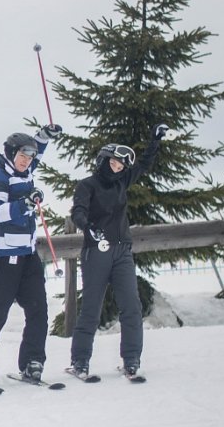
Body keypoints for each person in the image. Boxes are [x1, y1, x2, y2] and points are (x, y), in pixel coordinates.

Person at [0, 123, 63, 387]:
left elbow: (36, 151)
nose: (27, 161)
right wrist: (25, 204)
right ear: (10, 153)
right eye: (22, 156)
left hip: (27, 253)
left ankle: (32, 362)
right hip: (1, 255)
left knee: (38, 309)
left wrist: (45, 135)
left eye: (29, 158)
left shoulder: (24, 166)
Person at [69, 125, 168, 379]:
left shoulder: (123, 181)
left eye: (121, 166)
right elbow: (77, 212)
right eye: (114, 163)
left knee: (131, 306)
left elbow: (144, 165)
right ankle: (80, 361)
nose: (118, 168)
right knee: (91, 307)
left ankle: (131, 359)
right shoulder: (87, 185)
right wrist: (87, 227)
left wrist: (154, 140)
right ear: (103, 160)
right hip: (97, 251)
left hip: (122, 251)